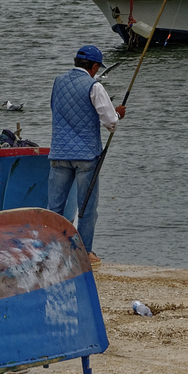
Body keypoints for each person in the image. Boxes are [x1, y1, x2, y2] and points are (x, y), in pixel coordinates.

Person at [48, 45, 125, 260]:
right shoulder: (95, 86)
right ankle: (85, 253)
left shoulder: (58, 82)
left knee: (54, 207)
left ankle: (51, 250)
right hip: (86, 156)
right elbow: (110, 123)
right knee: (87, 207)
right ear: (94, 67)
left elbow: (55, 109)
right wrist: (118, 114)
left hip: (59, 153)